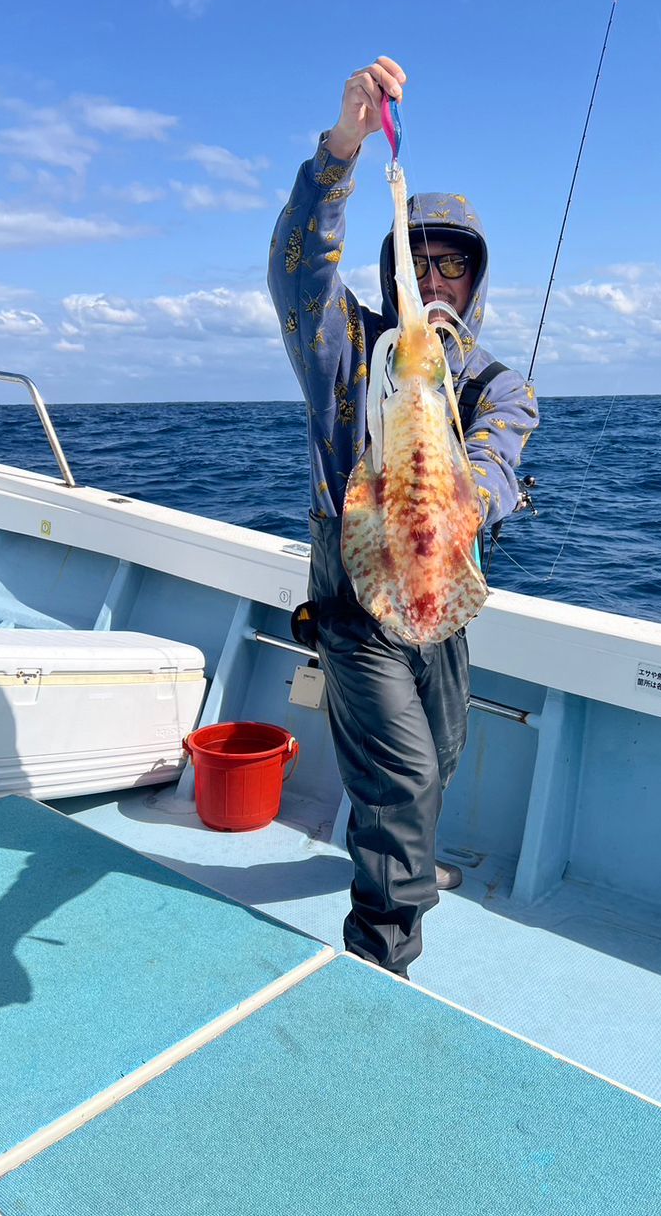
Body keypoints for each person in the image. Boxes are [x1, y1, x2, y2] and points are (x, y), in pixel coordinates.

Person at [268, 56, 539, 977]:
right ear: (388, 269)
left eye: (453, 265)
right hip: (353, 598)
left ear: (474, 283)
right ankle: (381, 953)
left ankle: (402, 851)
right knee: (406, 773)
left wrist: (459, 494)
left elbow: (499, 462)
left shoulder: (499, 386)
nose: (434, 278)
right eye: (415, 260)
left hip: (439, 588)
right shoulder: (344, 348)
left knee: (443, 751)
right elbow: (298, 269)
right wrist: (344, 148)